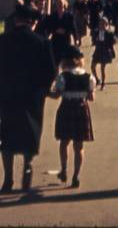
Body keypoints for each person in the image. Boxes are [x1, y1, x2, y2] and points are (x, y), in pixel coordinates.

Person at [0, 1, 56, 192]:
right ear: (32, 22)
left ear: (16, 20)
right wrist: (43, 88)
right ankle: (27, 166)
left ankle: (8, 178)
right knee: (30, 134)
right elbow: (51, 71)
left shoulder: (1, 41)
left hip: (7, 94)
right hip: (32, 97)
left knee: (6, 138)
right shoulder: (42, 42)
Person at [51, 44, 95, 188]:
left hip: (66, 107)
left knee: (64, 142)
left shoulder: (63, 77)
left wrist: (46, 92)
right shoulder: (88, 77)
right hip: (82, 108)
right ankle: (76, 175)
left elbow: (56, 94)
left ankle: (63, 169)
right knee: (79, 145)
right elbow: (91, 97)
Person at [41, 0, 75, 65]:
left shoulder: (69, 16)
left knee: (66, 63)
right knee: (56, 63)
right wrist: (55, 30)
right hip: (55, 41)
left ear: (64, 3)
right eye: (57, 3)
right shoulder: (52, 16)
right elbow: (48, 28)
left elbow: (73, 28)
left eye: (61, 3)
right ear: (55, 4)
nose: (59, 5)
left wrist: (76, 39)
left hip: (66, 41)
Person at [91, 14, 116, 89]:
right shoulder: (96, 32)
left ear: (106, 24)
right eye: (100, 23)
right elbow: (94, 40)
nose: (101, 25)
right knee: (92, 66)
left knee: (102, 68)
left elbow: (113, 42)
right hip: (98, 50)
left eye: (103, 24)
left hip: (105, 51)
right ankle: (97, 79)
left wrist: (109, 47)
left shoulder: (109, 33)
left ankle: (103, 83)